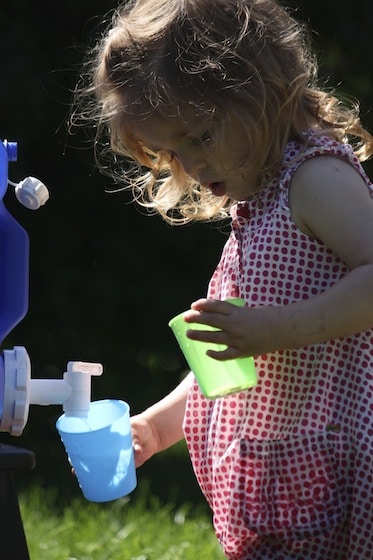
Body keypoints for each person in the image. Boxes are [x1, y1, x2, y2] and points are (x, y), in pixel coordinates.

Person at [72, 0, 373, 558]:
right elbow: (235, 366)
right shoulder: (260, 203)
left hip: (336, 467)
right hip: (286, 478)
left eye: (201, 136)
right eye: (171, 150)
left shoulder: (315, 180)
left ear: (258, 91)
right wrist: (158, 428)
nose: (191, 165)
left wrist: (274, 330)